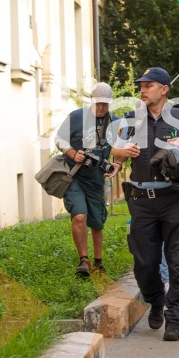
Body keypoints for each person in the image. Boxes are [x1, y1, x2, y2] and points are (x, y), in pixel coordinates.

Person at [112, 67, 179, 342]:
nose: (142, 89)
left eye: (149, 85)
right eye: (141, 85)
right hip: (141, 201)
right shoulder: (130, 121)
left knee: (176, 263)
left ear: (164, 89)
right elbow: (115, 151)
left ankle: (174, 319)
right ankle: (156, 301)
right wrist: (120, 154)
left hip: (174, 199)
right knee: (145, 263)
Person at [55, 82, 122, 276]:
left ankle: (98, 262)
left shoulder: (115, 122)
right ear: (91, 100)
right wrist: (72, 152)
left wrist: (117, 164)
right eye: (98, 103)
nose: (101, 107)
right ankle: (83, 260)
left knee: (97, 221)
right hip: (75, 174)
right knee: (79, 215)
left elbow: (120, 148)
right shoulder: (76, 117)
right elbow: (59, 139)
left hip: (96, 178)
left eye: (105, 104)